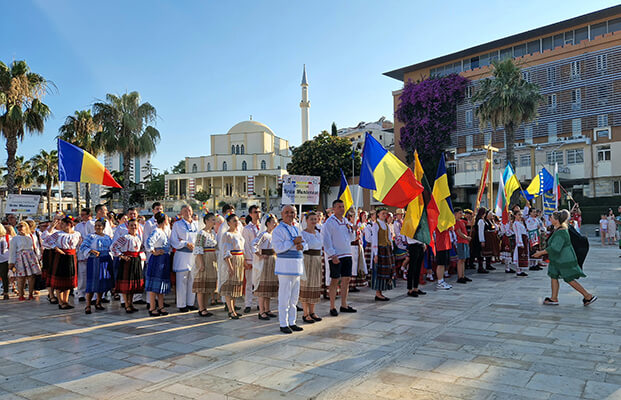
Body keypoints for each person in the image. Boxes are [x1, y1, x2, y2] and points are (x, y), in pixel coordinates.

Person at [533, 209, 596, 306]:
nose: (549, 219)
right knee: (553, 275)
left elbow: (555, 248)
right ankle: (554, 298)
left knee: (569, 278)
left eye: (551, 218)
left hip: (563, 259)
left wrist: (540, 253)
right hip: (557, 259)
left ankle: (588, 296)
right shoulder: (559, 229)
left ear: (557, 220)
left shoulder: (561, 232)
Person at [272, 205, 306, 333]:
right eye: (287, 212)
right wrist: (293, 242)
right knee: (284, 296)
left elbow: (304, 242)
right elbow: (278, 248)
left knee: (294, 298)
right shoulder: (278, 230)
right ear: (282, 213)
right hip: (285, 267)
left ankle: (292, 321)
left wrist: (302, 245)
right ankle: (283, 323)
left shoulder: (297, 228)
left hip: (296, 266)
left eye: (292, 212)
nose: (290, 215)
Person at [322, 199, 356, 316]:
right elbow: (326, 240)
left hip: (347, 253)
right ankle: (332, 306)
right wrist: (332, 254)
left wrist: (353, 230)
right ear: (334, 208)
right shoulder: (329, 223)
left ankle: (344, 304)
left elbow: (351, 238)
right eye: (339, 207)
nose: (342, 209)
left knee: (346, 280)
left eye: (343, 206)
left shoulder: (346, 221)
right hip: (336, 255)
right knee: (335, 280)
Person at [79, 219, 114, 314]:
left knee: (102, 281)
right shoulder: (91, 236)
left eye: (99, 225)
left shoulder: (107, 237)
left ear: (103, 227)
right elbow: (83, 247)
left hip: (105, 260)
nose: (98, 227)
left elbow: (112, 248)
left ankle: (98, 302)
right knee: (92, 282)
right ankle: (88, 305)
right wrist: (92, 251)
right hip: (94, 260)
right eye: (96, 225)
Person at [44, 217, 81, 309]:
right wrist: (56, 248)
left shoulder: (77, 234)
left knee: (69, 281)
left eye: (62, 224)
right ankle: (61, 302)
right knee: (59, 281)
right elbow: (46, 241)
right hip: (60, 257)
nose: (61, 226)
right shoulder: (58, 234)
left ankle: (66, 301)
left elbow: (80, 244)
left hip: (71, 257)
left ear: (69, 224)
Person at [110, 219, 144, 313]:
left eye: (135, 225)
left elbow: (140, 248)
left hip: (136, 260)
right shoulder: (124, 237)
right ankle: (126, 304)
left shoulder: (138, 237)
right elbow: (113, 247)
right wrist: (121, 256)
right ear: (128, 227)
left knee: (132, 283)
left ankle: (131, 303)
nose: (133, 227)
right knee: (126, 283)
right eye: (131, 225)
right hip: (127, 261)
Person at [170, 205, 199, 312]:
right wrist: (185, 243)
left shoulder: (197, 224)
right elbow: (173, 240)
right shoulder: (177, 225)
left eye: (189, 210)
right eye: (185, 211)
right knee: (182, 281)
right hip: (182, 255)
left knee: (192, 280)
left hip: (194, 256)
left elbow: (200, 238)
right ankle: (182, 304)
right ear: (181, 213)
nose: (188, 212)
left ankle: (190, 303)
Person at [252, 214, 279, 321]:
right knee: (263, 287)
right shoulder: (263, 234)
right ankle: (261, 311)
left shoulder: (275, 235)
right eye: (273, 222)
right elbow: (254, 244)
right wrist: (260, 255)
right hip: (265, 262)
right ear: (268, 224)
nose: (275, 224)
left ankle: (267, 309)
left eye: (276, 222)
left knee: (269, 287)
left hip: (273, 260)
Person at [144, 212, 172, 316]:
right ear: (164, 220)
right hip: (158, 259)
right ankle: (152, 307)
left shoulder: (163, 231)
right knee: (154, 283)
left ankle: (161, 306)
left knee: (161, 283)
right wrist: (153, 251)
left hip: (164, 258)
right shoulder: (156, 231)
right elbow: (148, 242)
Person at [219, 214, 245, 319]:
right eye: (234, 220)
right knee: (229, 285)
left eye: (237, 220)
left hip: (240, 259)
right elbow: (226, 251)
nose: (236, 222)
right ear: (228, 223)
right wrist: (229, 266)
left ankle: (233, 308)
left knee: (235, 285)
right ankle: (230, 310)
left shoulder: (238, 233)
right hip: (233, 259)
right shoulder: (227, 235)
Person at [193, 213, 218, 316]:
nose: (214, 222)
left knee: (208, 285)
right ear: (206, 221)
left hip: (212, 259)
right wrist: (201, 264)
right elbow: (198, 249)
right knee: (201, 285)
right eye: (212, 220)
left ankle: (205, 307)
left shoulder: (212, 233)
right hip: (205, 258)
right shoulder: (201, 233)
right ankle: (201, 308)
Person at [9, 221, 41, 301]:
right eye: (18, 227)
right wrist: (11, 262)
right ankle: (21, 294)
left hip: (31, 257)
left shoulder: (32, 236)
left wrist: (38, 258)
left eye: (21, 226)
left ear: (26, 227)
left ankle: (30, 294)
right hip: (20, 257)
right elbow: (12, 251)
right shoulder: (15, 238)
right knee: (21, 277)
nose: (19, 228)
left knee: (32, 276)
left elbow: (36, 248)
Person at [300, 211, 323, 323]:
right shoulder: (303, 233)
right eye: (311, 219)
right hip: (307, 259)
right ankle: (305, 313)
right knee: (306, 285)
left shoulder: (318, 233)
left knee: (315, 284)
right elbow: (304, 246)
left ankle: (312, 311)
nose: (314, 221)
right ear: (306, 221)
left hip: (317, 260)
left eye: (315, 219)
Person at [371, 208, 396, 300]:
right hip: (380, 250)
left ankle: (381, 291)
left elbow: (389, 237)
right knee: (379, 271)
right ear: (378, 214)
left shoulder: (386, 225)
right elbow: (374, 240)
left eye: (385, 213)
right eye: (383, 213)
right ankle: (378, 293)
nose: (384, 215)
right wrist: (376, 254)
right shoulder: (375, 225)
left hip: (387, 249)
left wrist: (391, 248)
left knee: (387, 270)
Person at [241, 205, 261, 314]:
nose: (257, 214)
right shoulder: (247, 229)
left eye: (258, 212)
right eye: (255, 212)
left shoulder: (262, 227)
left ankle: (259, 303)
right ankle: (248, 303)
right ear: (250, 214)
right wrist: (247, 260)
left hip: (261, 259)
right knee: (249, 282)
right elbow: (246, 245)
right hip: (251, 259)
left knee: (259, 282)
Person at [75, 208, 95, 302]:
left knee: (93, 273)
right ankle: (81, 293)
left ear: (88, 215)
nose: (81, 216)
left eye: (83, 215)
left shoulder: (94, 223)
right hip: (82, 252)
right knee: (82, 273)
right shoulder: (78, 226)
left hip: (93, 251)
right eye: (81, 214)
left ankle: (94, 293)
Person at [454, 208, 472, 284]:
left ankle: (463, 275)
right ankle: (460, 277)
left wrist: (471, 217)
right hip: (460, 242)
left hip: (465, 242)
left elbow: (471, 224)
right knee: (460, 260)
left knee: (464, 260)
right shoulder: (456, 222)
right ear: (455, 214)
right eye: (460, 213)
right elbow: (459, 233)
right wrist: (467, 237)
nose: (462, 215)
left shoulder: (462, 221)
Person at [512, 211, 529, 277]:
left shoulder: (520, 223)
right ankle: (518, 270)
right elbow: (517, 233)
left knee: (523, 254)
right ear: (515, 216)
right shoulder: (516, 223)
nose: (520, 216)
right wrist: (520, 242)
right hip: (520, 240)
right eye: (519, 215)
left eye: (521, 215)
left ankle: (521, 269)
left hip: (524, 239)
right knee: (519, 254)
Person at [0, 224, 10, 300]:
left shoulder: (6, 237)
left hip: (4, 259)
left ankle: (6, 292)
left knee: (4, 276)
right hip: (3, 258)